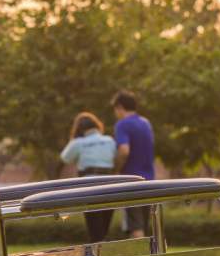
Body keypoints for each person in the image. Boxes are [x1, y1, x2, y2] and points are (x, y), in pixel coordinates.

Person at [60, 110, 116, 243]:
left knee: (94, 227)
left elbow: (65, 158)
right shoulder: (110, 140)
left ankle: (97, 255)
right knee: (105, 226)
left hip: (89, 184)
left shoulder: (79, 143)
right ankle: (106, 252)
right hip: (110, 184)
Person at [111, 90, 155, 238]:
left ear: (119, 107)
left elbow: (124, 151)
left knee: (135, 225)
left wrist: (116, 169)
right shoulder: (146, 123)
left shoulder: (122, 125)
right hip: (149, 179)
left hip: (131, 180)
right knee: (143, 223)